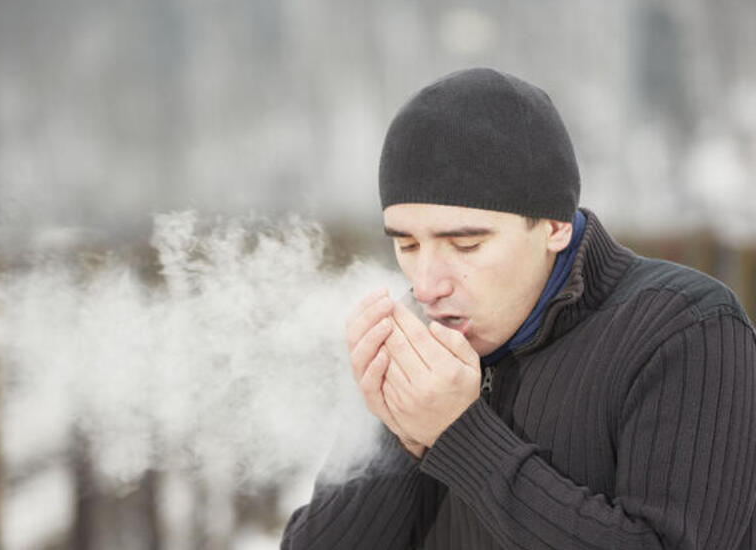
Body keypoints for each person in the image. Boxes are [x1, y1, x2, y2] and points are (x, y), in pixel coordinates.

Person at [281, 67, 756, 549]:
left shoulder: (686, 330)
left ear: (555, 226)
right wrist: (400, 435)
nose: (426, 286)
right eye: (407, 245)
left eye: (465, 245)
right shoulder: (414, 347)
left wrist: (459, 435)